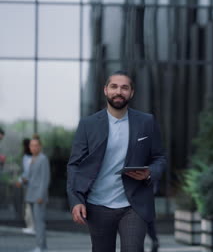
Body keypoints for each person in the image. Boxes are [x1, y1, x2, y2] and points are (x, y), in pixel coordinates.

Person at [67, 70, 166, 252]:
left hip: (133, 204)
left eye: (124, 87)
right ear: (105, 90)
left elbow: (159, 158)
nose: (118, 91)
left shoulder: (146, 122)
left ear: (131, 92)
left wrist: (149, 172)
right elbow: (74, 165)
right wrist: (76, 200)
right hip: (97, 205)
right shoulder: (88, 124)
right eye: (114, 87)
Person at [17, 137, 51, 252]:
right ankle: (42, 246)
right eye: (31, 145)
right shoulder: (32, 159)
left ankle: (41, 247)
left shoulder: (43, 159)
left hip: (38, 196)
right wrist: (23, 180)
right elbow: (31, 177)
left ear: (40, 146)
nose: (33, 147)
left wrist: (41, 195)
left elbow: (45, 179)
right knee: (36, 223)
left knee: (39, 222)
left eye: (36, 145)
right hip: (31, 194)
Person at [16, 138, 35, 234]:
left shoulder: (28, 157)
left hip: (29, 185)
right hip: (30, 184)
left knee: (29, 206)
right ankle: (31, 226)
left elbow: (27, 172)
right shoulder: (32, 157)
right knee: (29, 206)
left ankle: (31, 227)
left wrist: (20, 180)